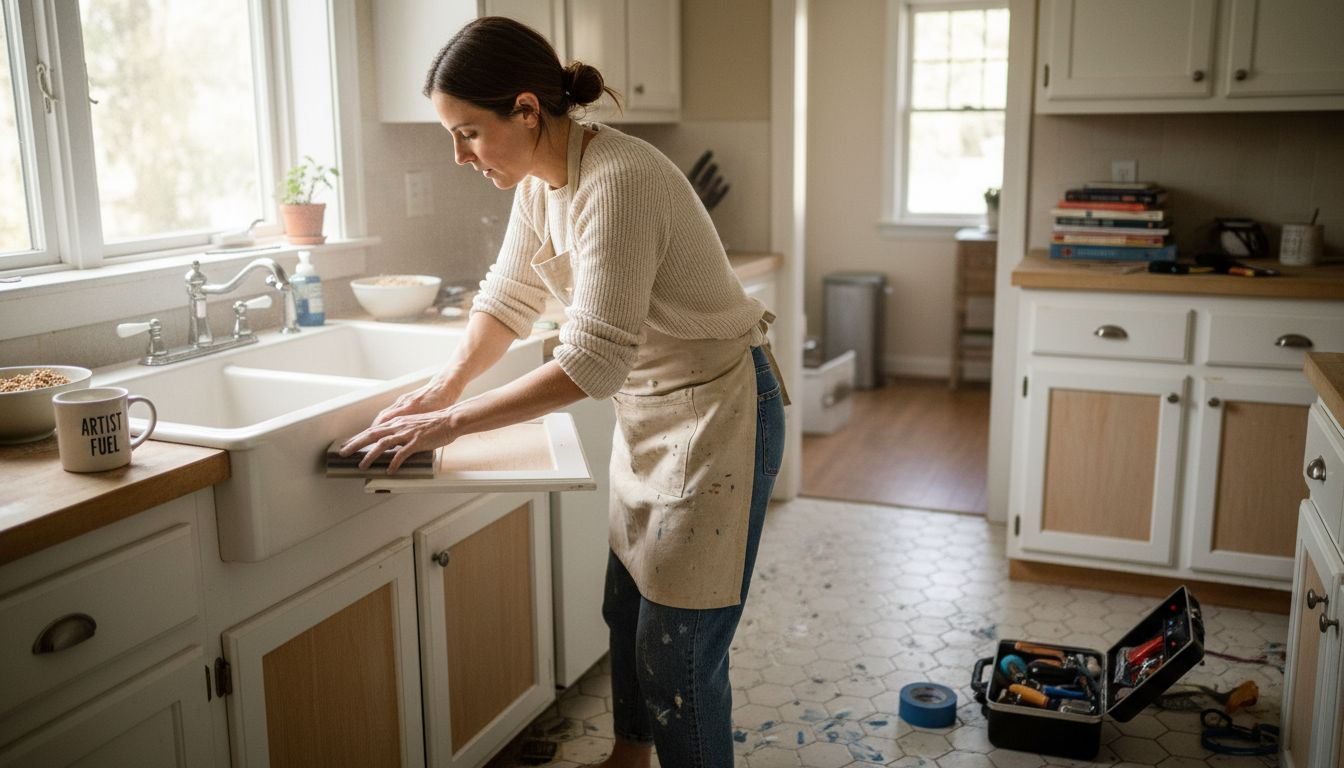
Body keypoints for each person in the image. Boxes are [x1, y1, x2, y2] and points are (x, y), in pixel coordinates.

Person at [340, 16, 786, 767]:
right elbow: (507, 296)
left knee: (679, 657)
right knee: (628, 610)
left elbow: (591, 364)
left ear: (524, 109)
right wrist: (440, 387)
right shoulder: (542, 183)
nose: (458, 156)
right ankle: (628, 756)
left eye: (468, 133)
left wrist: (449, 425)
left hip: (719, 415)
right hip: (651, 413)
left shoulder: (620, 181)